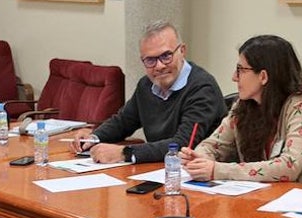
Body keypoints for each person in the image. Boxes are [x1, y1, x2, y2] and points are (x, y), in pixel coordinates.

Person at [70, 20, 226, 164]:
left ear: (182, 51)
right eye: (150, 60)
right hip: (156, 171)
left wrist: (125, 153)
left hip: (196, 174)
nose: (159, 66)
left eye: (166, 56)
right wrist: (94, 137)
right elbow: (123, 121)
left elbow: (183, 144)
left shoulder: (202, 87)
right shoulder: (146, 85)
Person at [181, 34, 302, 183]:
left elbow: (288, 167)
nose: (234, 77)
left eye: (241, 70)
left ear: (263, 76)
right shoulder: (244, 104)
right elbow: (212, 145)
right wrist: (200, 159)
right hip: (255, 195)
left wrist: (217, 170)